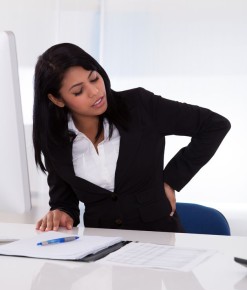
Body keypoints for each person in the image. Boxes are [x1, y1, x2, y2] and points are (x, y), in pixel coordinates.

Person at [33, 43, 231, 233]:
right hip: (102, 254)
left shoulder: (140, 106)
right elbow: (65, 203)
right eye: (78, 91)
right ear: (57, 99)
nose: (95, 92)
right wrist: (61, 213)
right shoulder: (54, 139)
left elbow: (214, 125)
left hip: (160, 247)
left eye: (94, 78)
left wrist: (171, 180)